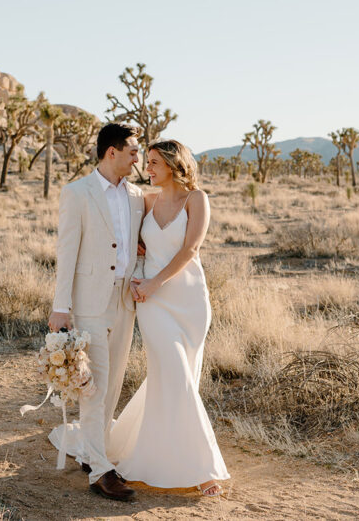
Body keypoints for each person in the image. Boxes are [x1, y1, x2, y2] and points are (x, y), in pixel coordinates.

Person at [110, 139, 230, 496]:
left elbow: (191, 248)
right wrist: (137, 272)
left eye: (153, 163)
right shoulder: (145, 202)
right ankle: (202, 468)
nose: (146, 169)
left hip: (188, 299)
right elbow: (122, 237)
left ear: (174, 165)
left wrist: (154, 282)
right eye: (145, 162)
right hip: (151, 301)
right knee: (174, 370)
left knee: (178, 378)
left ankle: (157, 451)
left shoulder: (196, 200)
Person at [47, 122, 145, 502]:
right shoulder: (77, 193)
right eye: (133, 151)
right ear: (112, 152)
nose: (138, 157)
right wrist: (61, 307)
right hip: (89, 302)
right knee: (93, 387)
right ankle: (102, 473)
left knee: (113, 385)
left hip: (123, 300)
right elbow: (66, 251)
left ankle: (92, 452)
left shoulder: (137, 195)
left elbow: (137, 242)